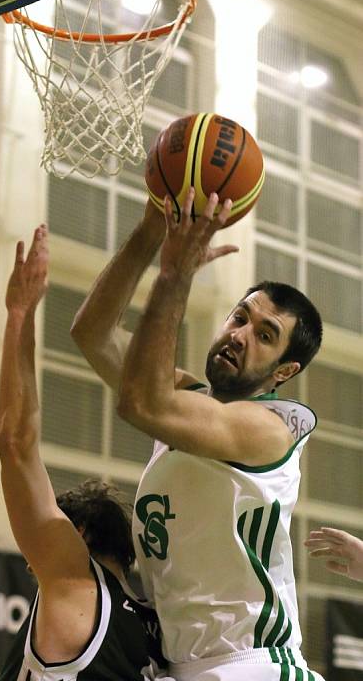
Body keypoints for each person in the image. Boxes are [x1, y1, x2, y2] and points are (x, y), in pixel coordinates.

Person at [71, 190, 325, 681]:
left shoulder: (269, 429)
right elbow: (92, 334)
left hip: (254, 666)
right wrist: (148, 232)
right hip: (186, 667)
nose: (240, 334)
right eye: (240, 317)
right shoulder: (188, 398)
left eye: (265, 334)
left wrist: (176, 273)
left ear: (283, 371)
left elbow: (140, 403)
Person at [0, 224, 166, 681]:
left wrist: (19, 315)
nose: (32, 559)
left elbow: (14, 445)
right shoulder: (162, 628)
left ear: (80, 533)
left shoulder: (73, 580)